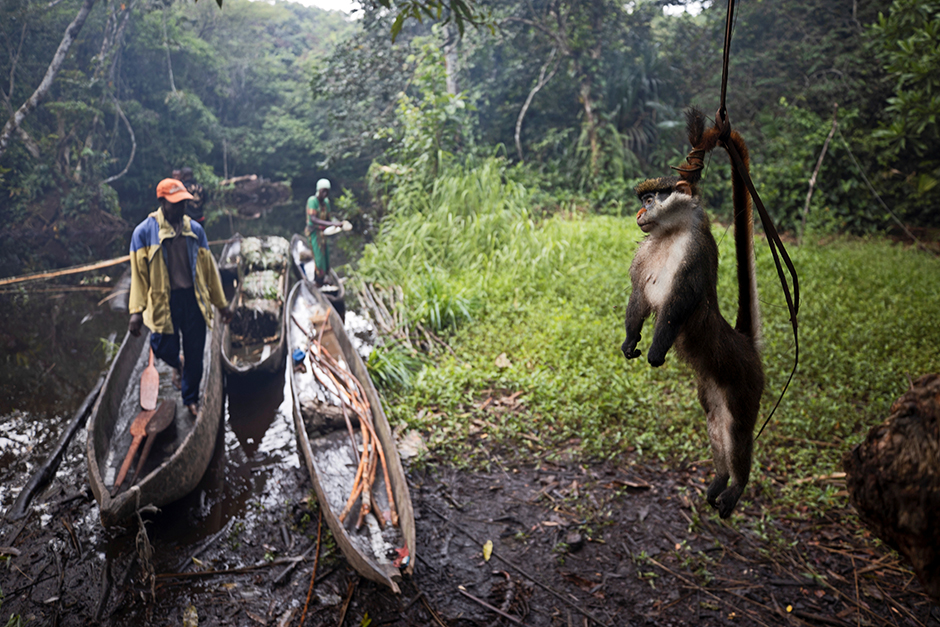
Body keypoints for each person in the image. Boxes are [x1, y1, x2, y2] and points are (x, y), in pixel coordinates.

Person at [128, 178, 231, 415]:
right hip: (165, 301)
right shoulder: (144, 233)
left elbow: (210, 271)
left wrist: (221, 305)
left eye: (184, 203)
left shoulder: (195, 230)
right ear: (162, 202)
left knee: (196, 352)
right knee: (162, 346)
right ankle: (178, 363)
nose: (181, 208)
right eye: (176, 204)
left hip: (193, 299)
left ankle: (190, 398)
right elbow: (139, 276)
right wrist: (136, 312)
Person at [304, 178, 351, 285]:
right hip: (314, 233)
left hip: (323, 234)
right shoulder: (312, 201)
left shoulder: (326, 202)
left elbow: (328, 219)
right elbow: (313, 219)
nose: (325, 194)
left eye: (327, 191)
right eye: (323, 191)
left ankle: (324, 276)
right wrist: (332, 224)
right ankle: (318, 280)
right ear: (318, 190)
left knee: (325, 256)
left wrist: (338, 223)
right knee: (318, 256)